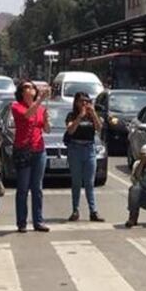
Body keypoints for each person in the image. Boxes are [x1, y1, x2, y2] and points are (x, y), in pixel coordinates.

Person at [11, 81, 50, 233]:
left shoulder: (40, 108)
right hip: (23, 150)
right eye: (27, 87)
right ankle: (21, 222)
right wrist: (40, 99)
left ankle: (38, 221)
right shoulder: (16, 106)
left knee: (37, 188)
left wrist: (47, 120)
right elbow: (27, 115)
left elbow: (46, 129)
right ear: (21, 92)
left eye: (32, 87)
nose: (31, 89)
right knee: (23, 188)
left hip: (39, 150)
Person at [65, 91, 104, 223]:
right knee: (76, 182)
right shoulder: (72, 115)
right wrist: (80, 116)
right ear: (76, 102)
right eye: (82, 101)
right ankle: (75, 210)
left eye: (87, 101)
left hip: (89, 150)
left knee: (89, 183)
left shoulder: (91, 116)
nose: (84, 103)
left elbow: (99, 128)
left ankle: (93, 211)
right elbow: (70, 130)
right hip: (75, 149)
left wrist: (93, 114)